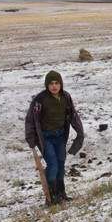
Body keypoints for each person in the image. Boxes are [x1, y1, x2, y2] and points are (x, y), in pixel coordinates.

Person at [25, 70, 84, 205]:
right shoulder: (40, 100)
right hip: (45, 137)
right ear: (47, 85)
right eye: (51, 83)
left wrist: (80, 133)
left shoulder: (65, 97)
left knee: (61, 163)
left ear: (61, 84)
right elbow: (30, 119)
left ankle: (61, 194)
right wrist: (31, 139)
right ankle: (51, 197)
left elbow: (73, 116)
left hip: (60, 135)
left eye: (57, 83)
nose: (54, 86)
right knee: (52, 164)